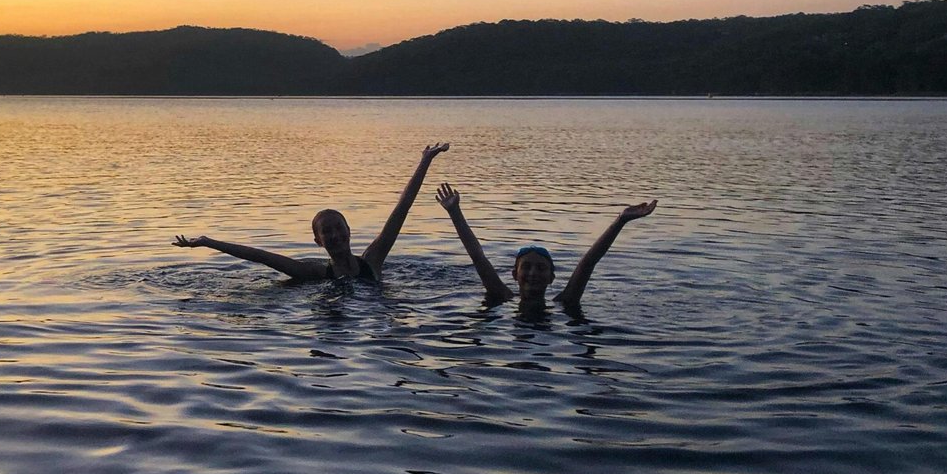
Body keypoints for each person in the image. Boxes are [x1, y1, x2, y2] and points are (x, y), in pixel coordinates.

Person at [172, 143, 451, 281]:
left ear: (349, 231)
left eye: (338, 227)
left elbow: (401, 210)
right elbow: (260, 256)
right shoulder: (315, 274)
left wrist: (425, 161)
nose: (334, 234)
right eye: (326, 231)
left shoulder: (372, 262)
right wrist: (208, 242)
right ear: (318, 241)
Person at [434, 183, 657, 310]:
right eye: (527, 267)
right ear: (514, 274)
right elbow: (478, 257)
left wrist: (620, 221)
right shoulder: (501, 295)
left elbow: (588, 263)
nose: (533, 273)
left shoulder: (566, 300)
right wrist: (455, 212)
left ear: (552, 277)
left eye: (540, 268)